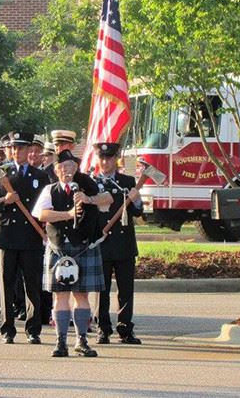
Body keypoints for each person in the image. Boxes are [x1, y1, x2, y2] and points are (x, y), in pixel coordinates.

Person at [32, 150, 111, 357]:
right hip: (58, 247)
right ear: (56, 170)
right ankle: (60, 341)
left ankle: (82, 340)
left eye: (70, 166)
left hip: (83, 246)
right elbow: (41, 214)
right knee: (60, 297)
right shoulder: (50, 190)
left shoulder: (87, 186)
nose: (66, 170)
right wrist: (67, 214)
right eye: (62, 167)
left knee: (81, 295)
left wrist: (88, 199)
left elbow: (108, 199)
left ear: (76, 169)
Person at [0, 132, 49, 344]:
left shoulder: (40, 176)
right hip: (6, 235)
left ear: (28, 150)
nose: (16, 152)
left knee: (32, 284)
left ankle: (33, 329)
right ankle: (8, 329)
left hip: (30, 236)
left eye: (20, 148)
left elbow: (46, 205)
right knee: (6, 284)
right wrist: (5, 200)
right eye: (13, 148)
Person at [92, 142, 145, 345]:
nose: (105, 162)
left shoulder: (127, 180)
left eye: (110, 158)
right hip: (102, 241)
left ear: (116, 159)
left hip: (123, 243)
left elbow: (137, 212)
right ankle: (102, 329)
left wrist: (136, 199)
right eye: (102, 158)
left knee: (125, 289)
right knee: (101, 289)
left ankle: (125, 328)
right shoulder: (91, 182)